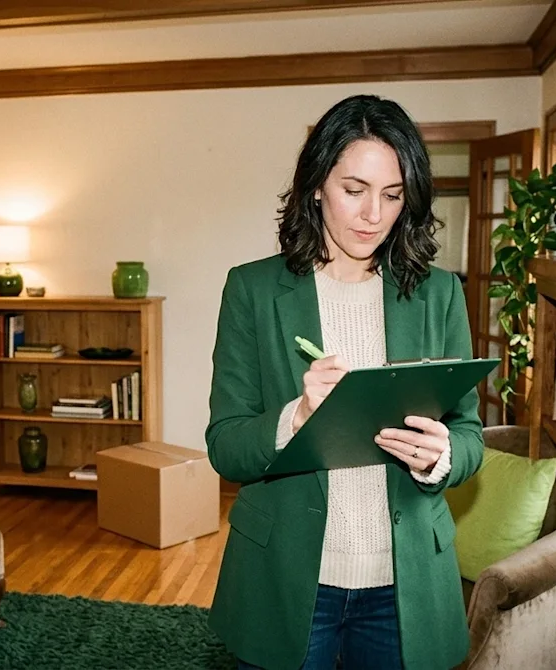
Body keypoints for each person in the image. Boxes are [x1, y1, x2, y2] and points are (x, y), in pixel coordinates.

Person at [205, 94, 484, 670]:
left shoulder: (439, 294)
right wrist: (297, 417)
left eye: (392, 195)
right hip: (286, 577)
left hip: (402, 583)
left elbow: (471, 436)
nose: (373, 216)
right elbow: (226, 448)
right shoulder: (252, 292)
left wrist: (442, 455)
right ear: (315, 186)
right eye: (354, 191)